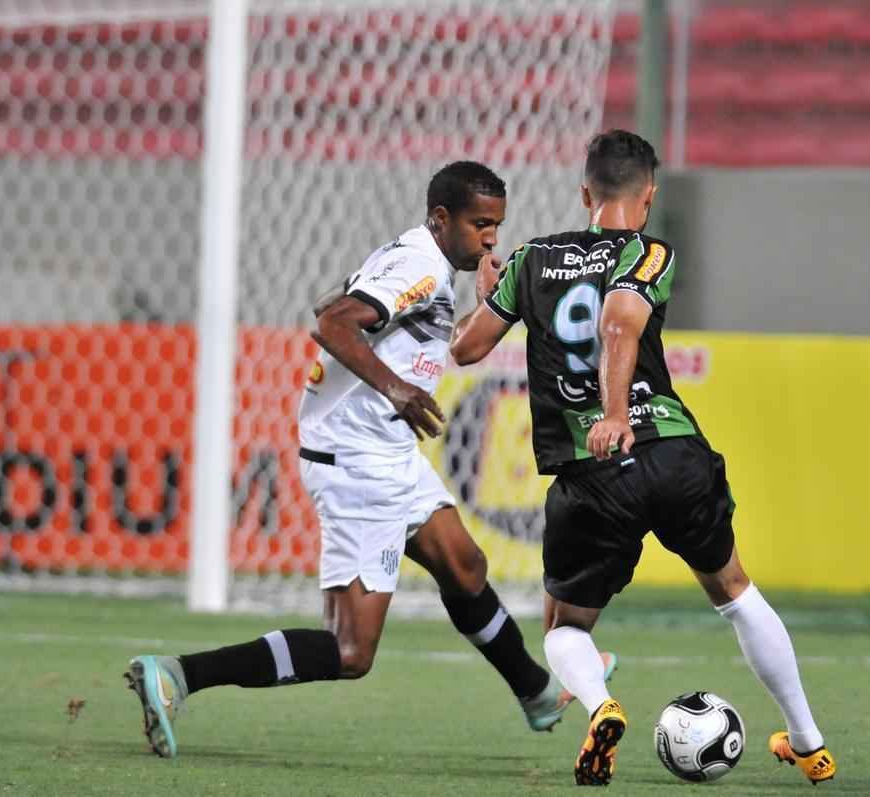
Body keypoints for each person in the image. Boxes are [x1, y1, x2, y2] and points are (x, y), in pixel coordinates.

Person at [124, 161, 614, 759]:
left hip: (385, 451)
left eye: (497, 225)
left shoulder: (422, 261)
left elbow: (350, 310)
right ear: (441, 218)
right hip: (359, 462)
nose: (491, 238)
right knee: (352, 652)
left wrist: (481, 305)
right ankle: (178, 674)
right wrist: (396, 390)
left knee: (462, 564)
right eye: (480, 224)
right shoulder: (418, 264)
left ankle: (537, 693)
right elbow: (333, 322)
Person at [448, 131, 837, 786]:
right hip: (671, 452)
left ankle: (602, 704)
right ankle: (808, 741)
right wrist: (622, 413)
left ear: (584, 193)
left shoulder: (530, 260)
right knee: (735, 590)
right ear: (648, 195)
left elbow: (464, 349)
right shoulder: (649, 251)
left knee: (564, 628)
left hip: (591, 475)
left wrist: (483, 289)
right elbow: (620, 322)